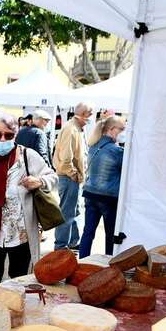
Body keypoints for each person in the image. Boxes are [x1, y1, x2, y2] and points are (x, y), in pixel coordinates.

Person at [0, 111, 57, 289]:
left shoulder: (28, 157)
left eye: (8, 135)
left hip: (21, 234)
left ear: (15, 134)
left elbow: (53, 178)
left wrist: (39, 181)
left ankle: (16, 313)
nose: (2, 139)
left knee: (20, 280)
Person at [79, 116, 126, 257]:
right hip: (109, 198)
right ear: (111, 129)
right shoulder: (117, 151)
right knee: (110, 234)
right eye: (122, 129)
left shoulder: (94, 145)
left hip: (90, 194)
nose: (123, 133)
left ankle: (82, 261)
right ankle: (109, 264)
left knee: (88, 232)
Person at [52, 102, 92, 251]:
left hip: (73, 178)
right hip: (69, 178)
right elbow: (66, 157)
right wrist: (74, 174)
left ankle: (73, 242)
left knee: (74, 212)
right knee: (67, 214)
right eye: (90, 114)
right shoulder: (71, 129)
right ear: (82, 114)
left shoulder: (78, 128)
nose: (91, 117)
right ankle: (61, 246)